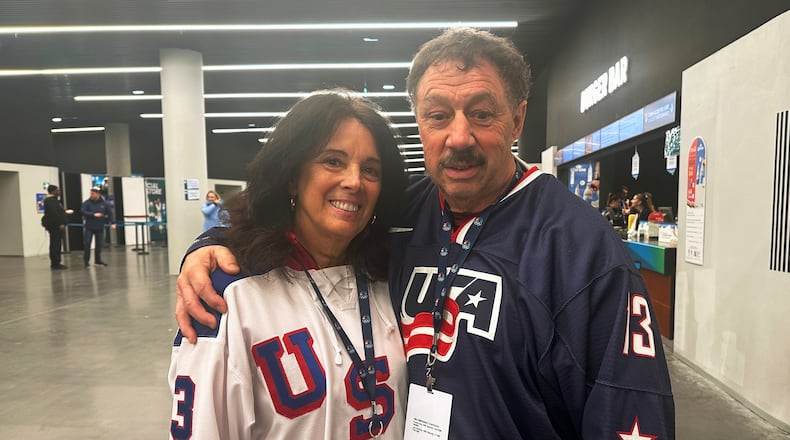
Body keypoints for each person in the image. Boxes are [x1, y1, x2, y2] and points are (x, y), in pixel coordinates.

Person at [176, 28, 675, 439]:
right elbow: (292, 221)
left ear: (518, 118)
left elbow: (631, 410)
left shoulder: (579, 248)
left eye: (481, 113)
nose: (459, 137)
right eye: (438, 116)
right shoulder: (397, 210)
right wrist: (207, 248)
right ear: (420, 123)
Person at [168, 90, 409, 439]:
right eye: (333, 161)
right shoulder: (228, 295)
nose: (354, 181)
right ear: (292, 175)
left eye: (370, 169)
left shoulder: (390, 276)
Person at [80, 187, 115, 267]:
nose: (91, 195)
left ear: (98, 194)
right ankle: (86, 261)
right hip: (89, 227)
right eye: (91, 193)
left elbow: (110, 213)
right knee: (87, 244)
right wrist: (93, 214)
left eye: (93, 193)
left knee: (99, 244)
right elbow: (83, 211)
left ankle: (98, 260)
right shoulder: (87, 203)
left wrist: (113, 223)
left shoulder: (104, 203)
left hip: (99, 226)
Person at [41, 184, 71, 269]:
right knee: (55, 244)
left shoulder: (54, 201)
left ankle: (56, 262)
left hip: (56, 225)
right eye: (57, 190)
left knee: (57, 243)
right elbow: (54, 214)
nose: (59, 192)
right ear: (53, 191)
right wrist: (60, 223)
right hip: (54, 226)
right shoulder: (50, 201)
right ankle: (55, 263)